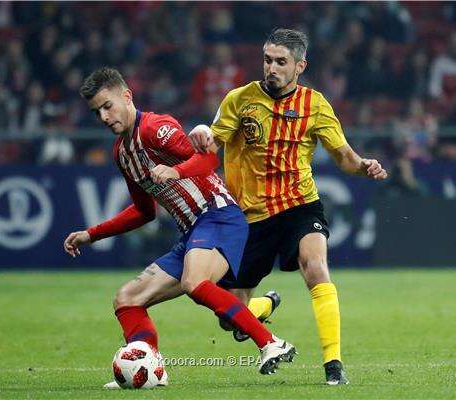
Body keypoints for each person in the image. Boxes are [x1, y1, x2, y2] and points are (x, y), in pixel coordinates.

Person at [63, 67, 296, 390]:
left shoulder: (155, 129)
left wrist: (176, 171)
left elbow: (209, 160)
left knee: (193, 281)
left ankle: (271, 343)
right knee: (127, 299)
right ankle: (152, 368)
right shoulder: (122, 154)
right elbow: (144, 211)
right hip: (192, 233)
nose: (103, 116)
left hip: (218, 214)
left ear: (127, 96)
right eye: (96, 112)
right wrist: (92, 234)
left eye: (107, 106)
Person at [188, 28, 388, 385]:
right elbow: (212, 142)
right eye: (268, 60)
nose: (272, 68)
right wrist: (202, 134)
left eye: (281, 62)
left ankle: (334, 366)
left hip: (300, 205)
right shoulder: (240, 99)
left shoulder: (315, 105)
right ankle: (263, 305)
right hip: (249, 217)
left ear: (299, 66)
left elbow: (343, 156)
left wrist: (364, 166)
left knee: (315, 267)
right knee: (228, 316)